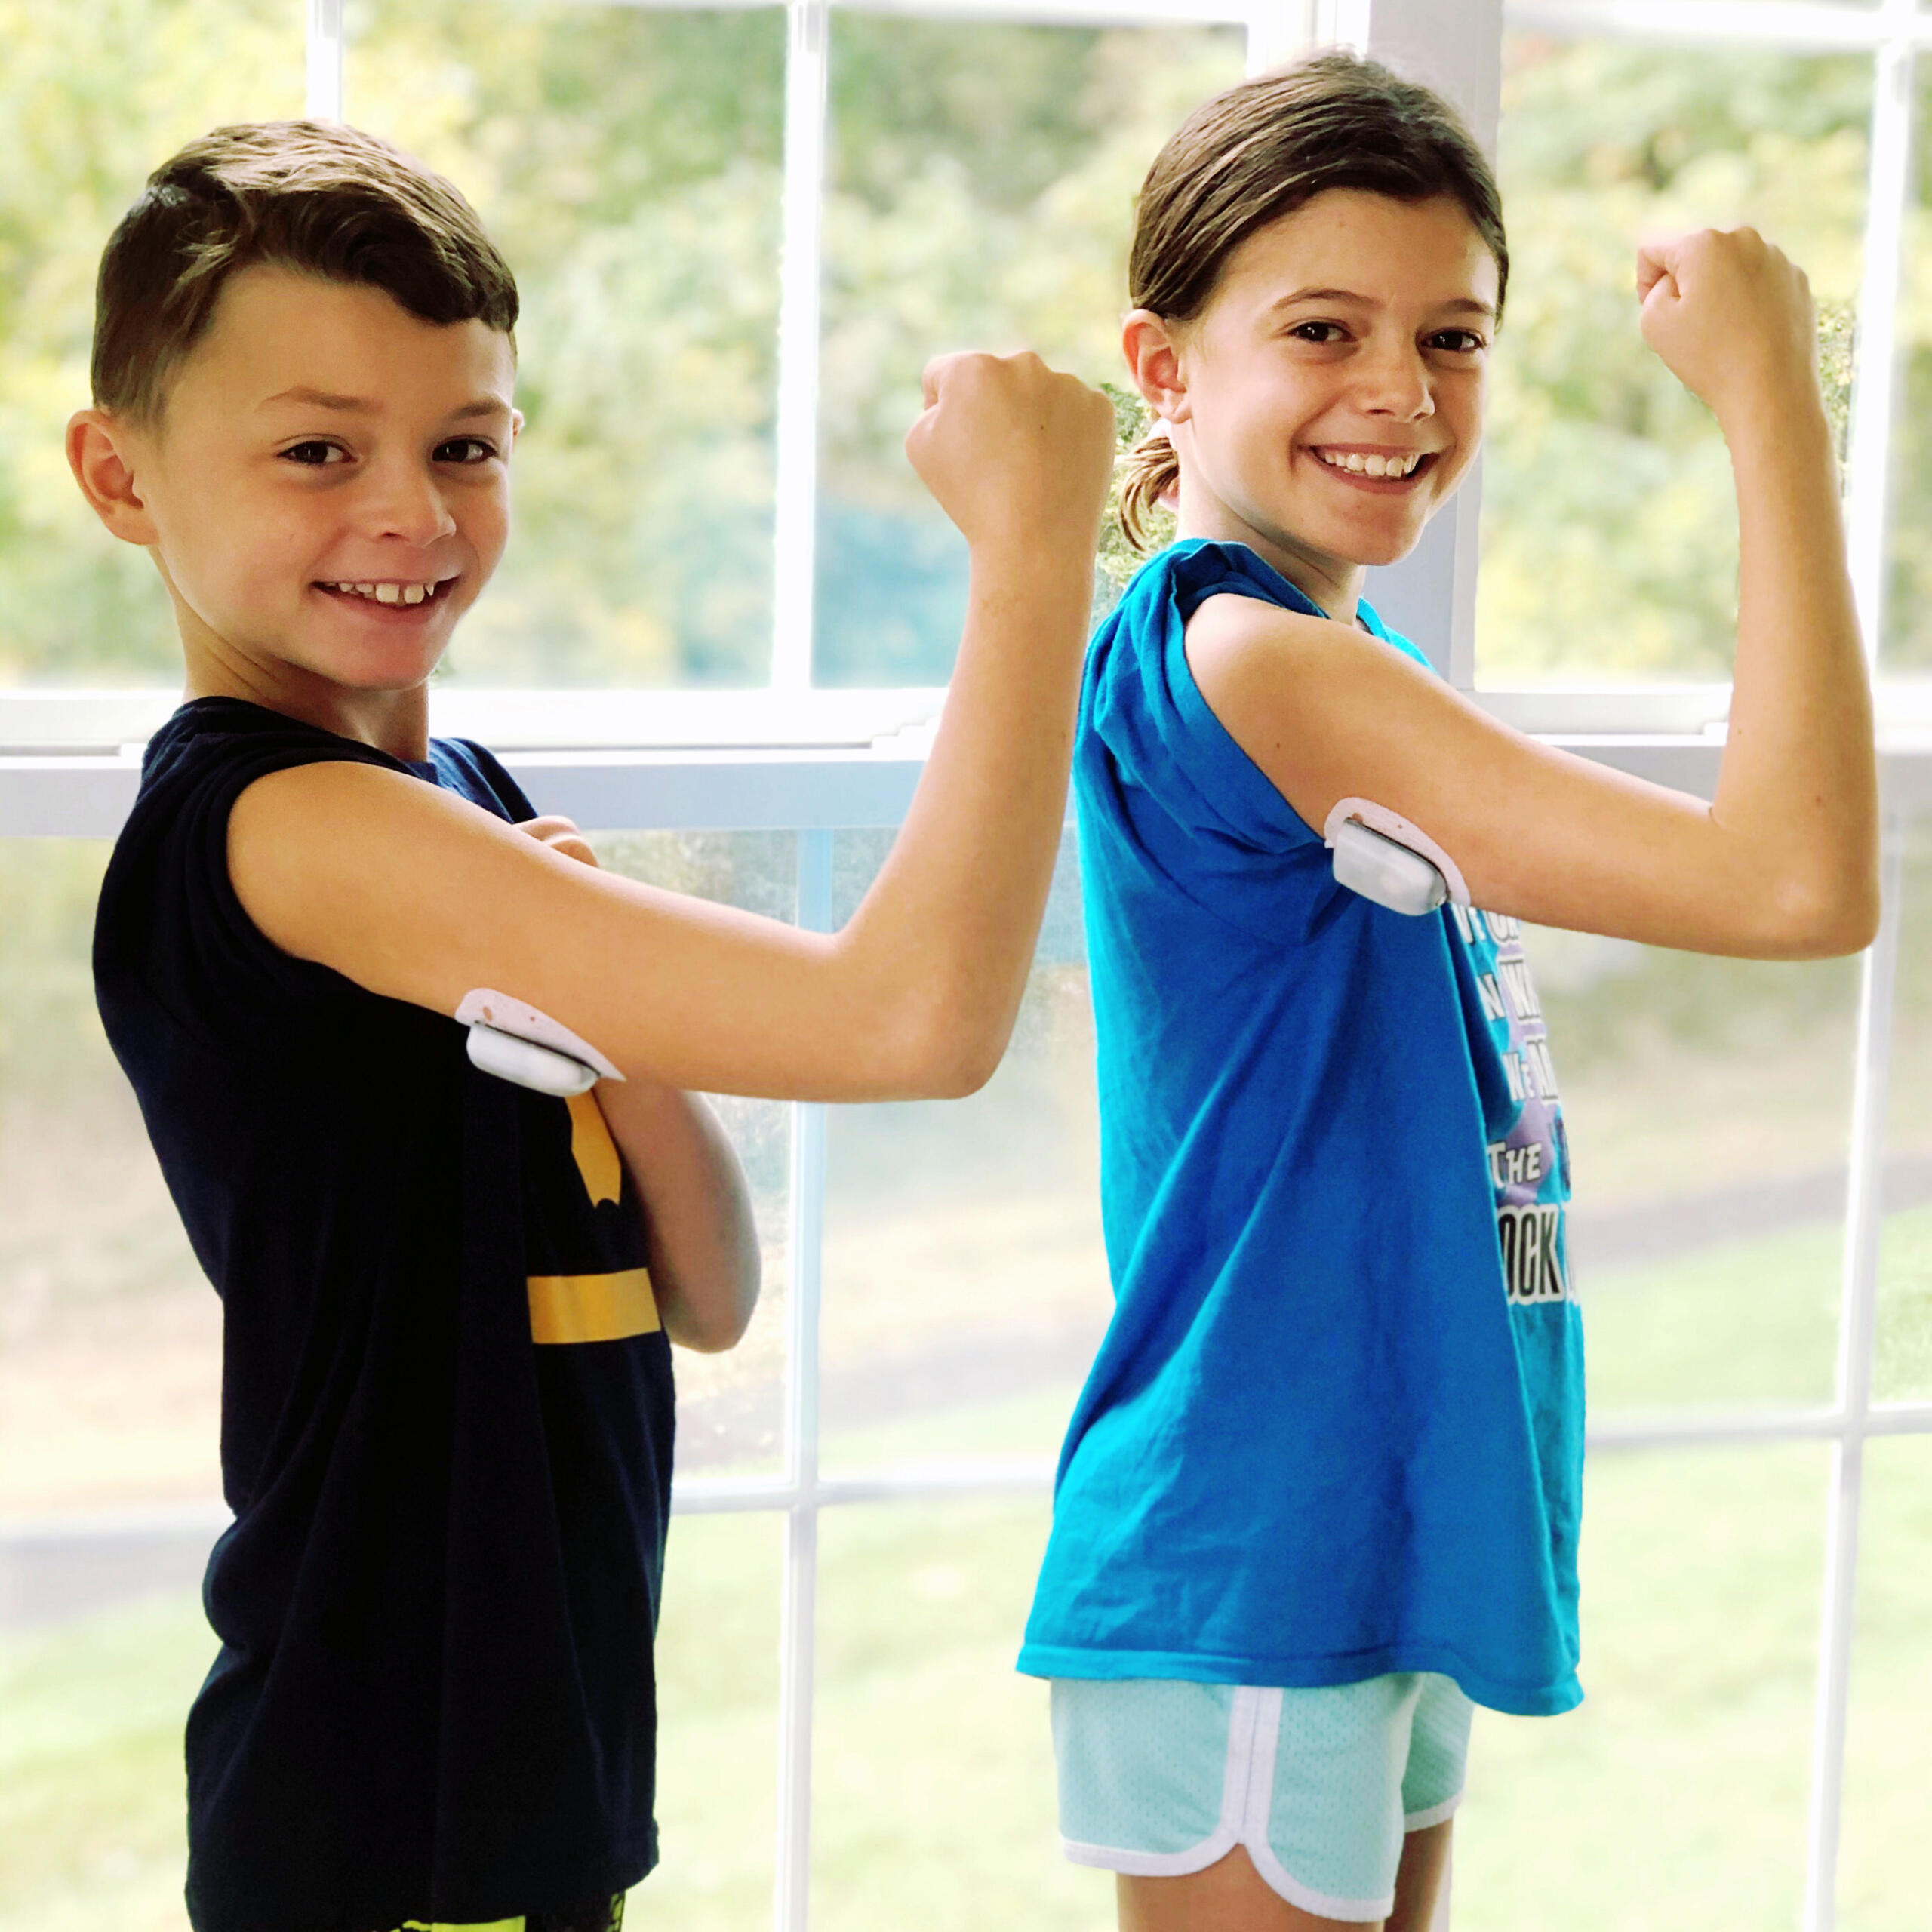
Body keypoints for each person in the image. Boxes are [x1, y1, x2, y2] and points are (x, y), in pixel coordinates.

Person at [67, 120, 1113, 1932]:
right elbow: (922, 1018)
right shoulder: (278, 823)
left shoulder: (460, 804)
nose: (412, 509)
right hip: (386, 1788)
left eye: (464, 446)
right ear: (123, 477)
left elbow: (703, 1294)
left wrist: (605, 999)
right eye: (318, 448)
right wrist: (1033, 554)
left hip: (541, 1769)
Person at [1018, 51, 1878, 1932]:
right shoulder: (1248, 656)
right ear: (1161, 368)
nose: (1401, 393)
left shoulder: (1343, 642)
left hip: (1366, 1514)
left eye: (1454, 336)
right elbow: (1797, 881)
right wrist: (1768, 406)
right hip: (1256, 1537)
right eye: (1321, 327)